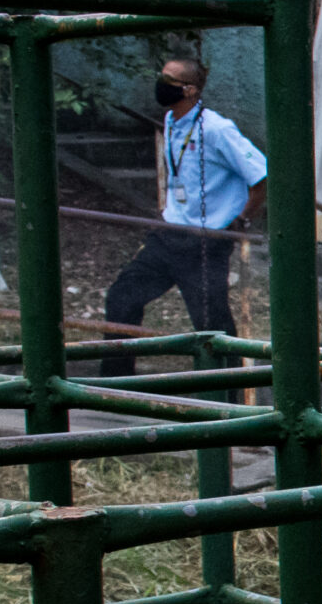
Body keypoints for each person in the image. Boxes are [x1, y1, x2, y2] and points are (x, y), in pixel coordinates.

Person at [101, 58, 267, 377]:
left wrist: (241, 220)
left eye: (169, 80)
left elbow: (260, 176)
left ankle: (227, 401)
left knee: (212, 325)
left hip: (206, 242)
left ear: (190, 90)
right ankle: (114, 384)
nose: (161, 84)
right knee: (122, 297)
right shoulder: (171, 121)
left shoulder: (217, 129)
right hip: (168, 235)